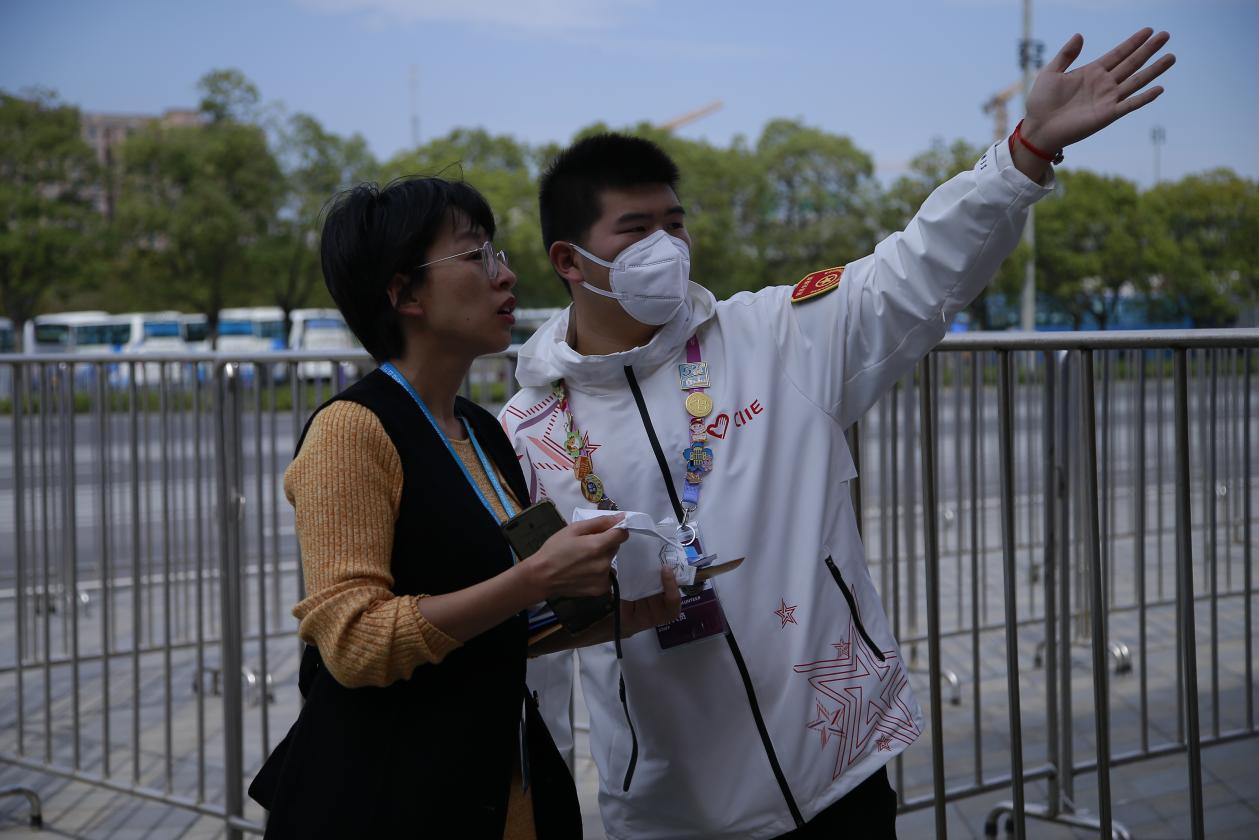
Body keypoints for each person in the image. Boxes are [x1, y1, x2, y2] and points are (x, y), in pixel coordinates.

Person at [500, 29, 1175, 840]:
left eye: (674, 224)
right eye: (635, 229)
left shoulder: (771, 336)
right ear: (569, 261)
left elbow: (912, 271)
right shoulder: (525, 433)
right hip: (666, 807)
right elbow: (529, 650)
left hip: (837, 768)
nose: (665, 249)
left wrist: (1023, 153)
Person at [248, 175, 679, 839]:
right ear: (403, 293)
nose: (505, 275)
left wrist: (623, 617)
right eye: (477, 255)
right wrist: (535, 578)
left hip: (494, 783)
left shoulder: (480, 430)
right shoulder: (351, 431)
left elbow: (493, 627)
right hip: (390, 795)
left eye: (496, 253)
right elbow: (353, 642)